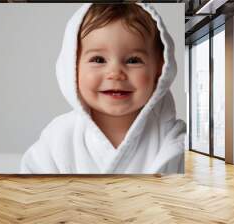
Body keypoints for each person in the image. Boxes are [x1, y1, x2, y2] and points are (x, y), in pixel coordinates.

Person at [20, 3, 186, 174]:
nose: (115, 73)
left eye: (133, 60)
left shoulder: (173, 140)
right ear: (73, 66)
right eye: (98, 60)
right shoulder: (59, 136)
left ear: (160, 69)